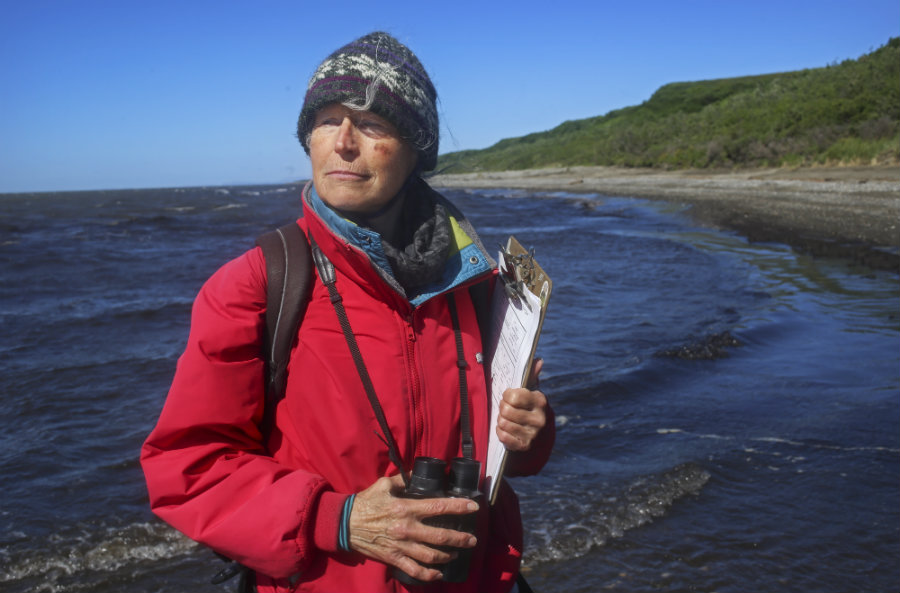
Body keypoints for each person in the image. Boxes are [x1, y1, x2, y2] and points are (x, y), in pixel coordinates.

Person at [141, 31, 554, 593]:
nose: (343, 142)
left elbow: (509, 454)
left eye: (373, 123)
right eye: (325, 120)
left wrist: (530, 432)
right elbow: (187, 468)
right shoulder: (257, 284)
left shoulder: (475, 280)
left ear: (416, 149)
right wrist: (339, 519)